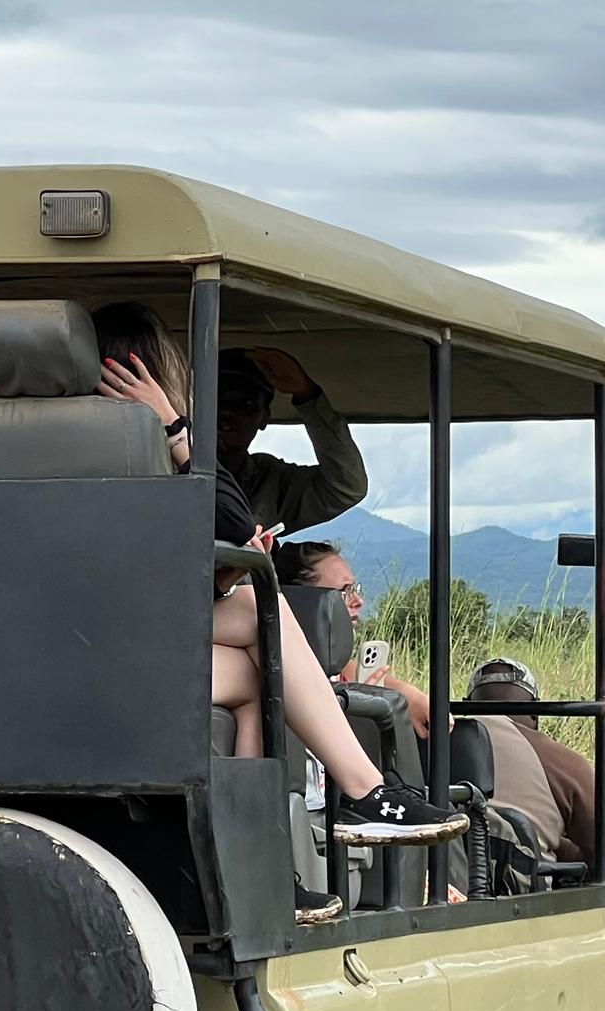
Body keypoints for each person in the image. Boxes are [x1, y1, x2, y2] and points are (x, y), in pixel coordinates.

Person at [91, 306, 465, 912]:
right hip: (107, 646)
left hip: (97, 636)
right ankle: (363, 793)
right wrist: (181, 433)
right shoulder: (146, 449)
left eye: (248, 402)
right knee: (261, 611)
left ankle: (268, 870)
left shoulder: (9, 443)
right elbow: (234, 526)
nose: (232, 411)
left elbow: (335, 489)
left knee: (256, 663)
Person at [462, 657, 605, 880]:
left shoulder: (428, 748)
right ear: (535, 713)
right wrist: (559, 848)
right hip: (524, 901)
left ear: (465, 704)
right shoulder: (563, 763)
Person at [274, 538, 433, 738]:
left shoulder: (336, 672)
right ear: (302, 600)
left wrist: (413, 697)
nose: (358, 601)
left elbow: (348, 669)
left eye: (355, 589)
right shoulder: (281, 675)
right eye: (344, 591)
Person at [215, 347, 366, 535]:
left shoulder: (269, 481)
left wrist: (307, 395)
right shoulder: (170, 467)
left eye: (246, 404)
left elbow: (346, 487)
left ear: (263, 418)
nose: (228, 412)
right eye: (217, 399)